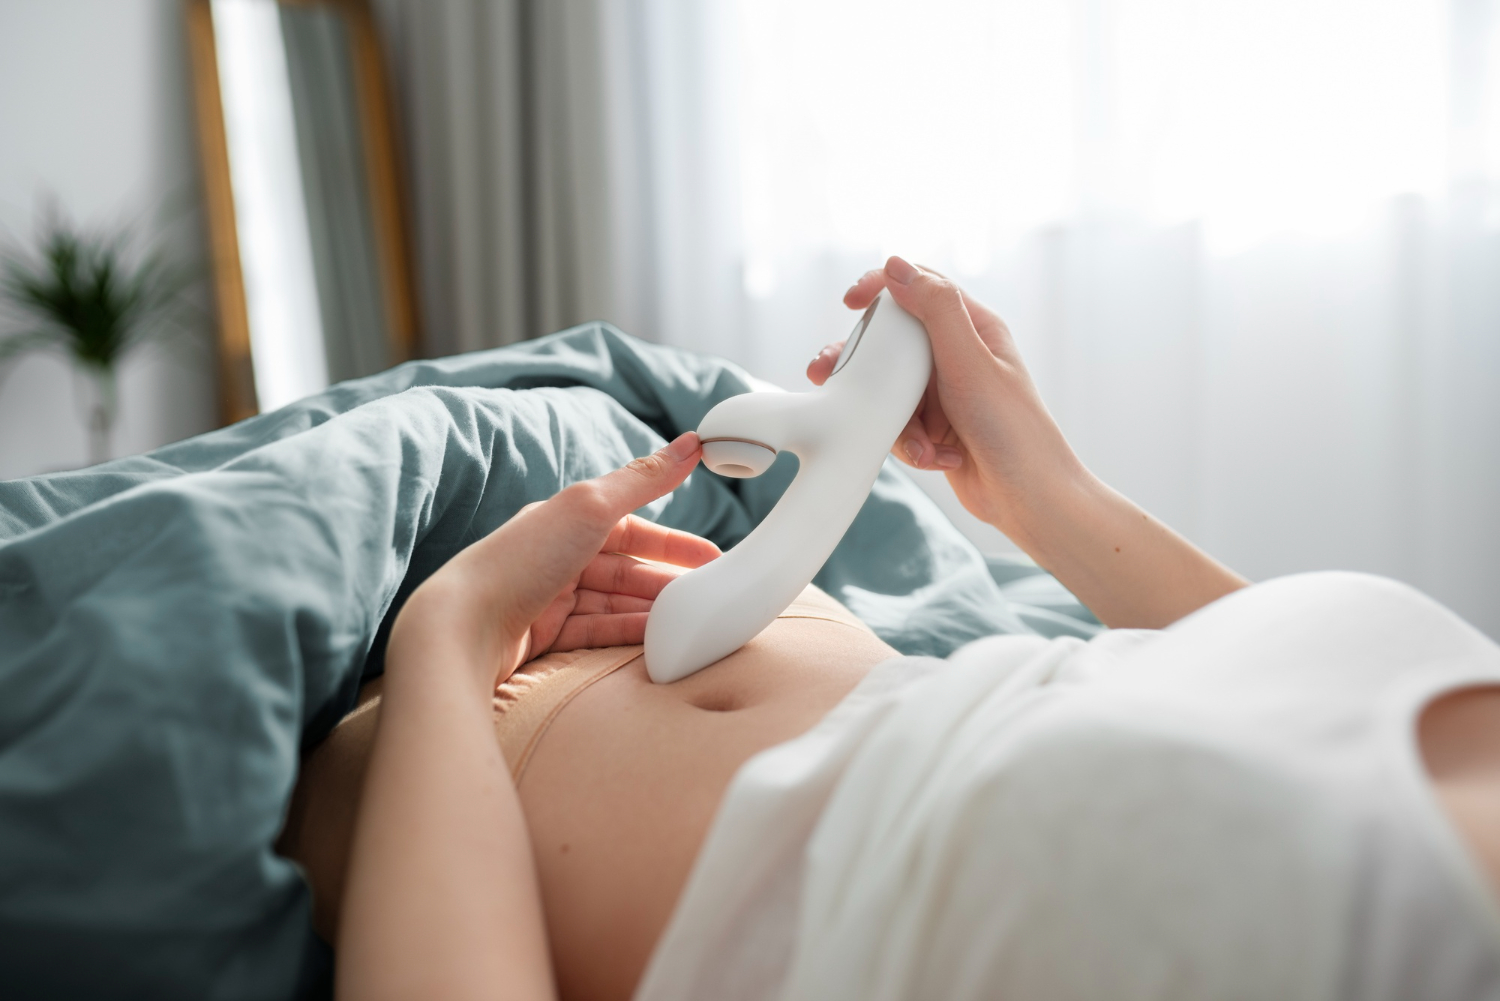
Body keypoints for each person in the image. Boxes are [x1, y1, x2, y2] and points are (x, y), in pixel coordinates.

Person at [296, 257, 1500, 1001]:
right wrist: (1043, 496)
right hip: (577, 593)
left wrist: (451, 638)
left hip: (446, 754)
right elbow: (1266, 680)